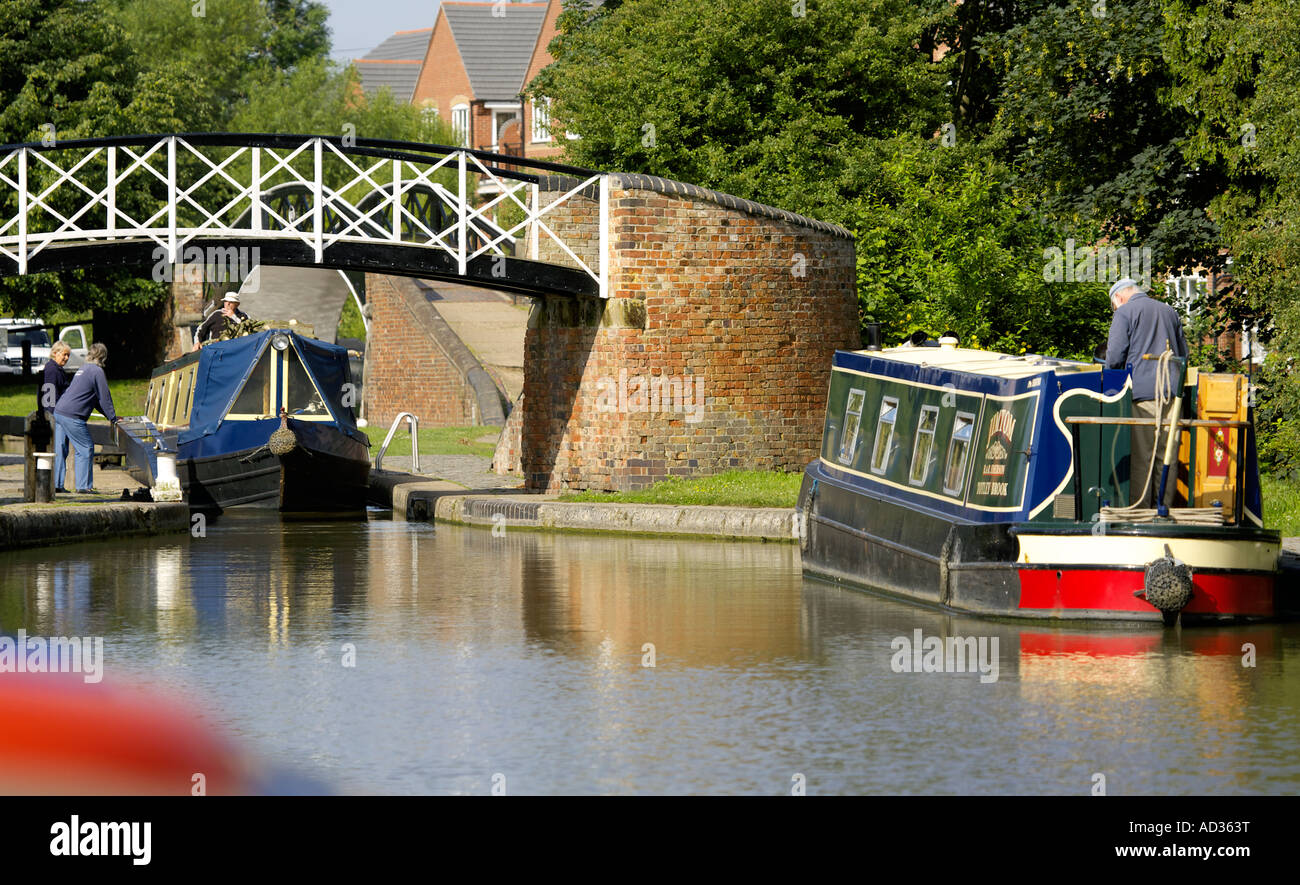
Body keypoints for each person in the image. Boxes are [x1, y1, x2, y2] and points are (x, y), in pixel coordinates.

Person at [1105, 277, 1189, 508]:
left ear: (1119, 297)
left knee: (1142, 458)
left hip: (1142, 395)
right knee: (1166, 456)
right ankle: (1164, 510)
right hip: (1172, 396)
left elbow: (1113, 359)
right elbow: (1183, 354)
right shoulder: (1169, 311)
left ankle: (1139, 513)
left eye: (1114, 305)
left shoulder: (1124, 313)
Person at [53, 343, 120, 494]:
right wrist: (114, 418)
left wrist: (109, 416)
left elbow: (95, 400)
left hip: (59, 411)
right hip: (73, 416)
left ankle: (57, 485)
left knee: (61, 449)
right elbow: (104, 397)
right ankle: (83, 487)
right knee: (86, 447)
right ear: (103, 357)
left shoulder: (83, 368)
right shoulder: (97, 371)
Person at [40, 341, 73, 492]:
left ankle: (58, 483)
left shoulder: (58, 369)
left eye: (68, 355)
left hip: (60, 415)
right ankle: (57, 485)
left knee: (63, 449)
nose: (66, 358)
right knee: (59, 449)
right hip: (56, 416)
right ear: (55, 353)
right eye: (64, 354)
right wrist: (51, 416)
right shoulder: (52, 370)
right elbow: (48, 395)